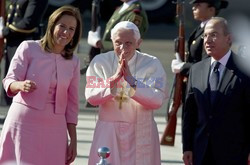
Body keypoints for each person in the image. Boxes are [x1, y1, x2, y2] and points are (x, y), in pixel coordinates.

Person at [0, 5, 82, 165]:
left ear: (75, 34)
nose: (66, 32)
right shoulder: (28, 48)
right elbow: (9, 80)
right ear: (52, 25)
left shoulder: (74, 62)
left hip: (55, 129)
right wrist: (20, 85)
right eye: (62, 26)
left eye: (71, 29)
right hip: (24, 122)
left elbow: (72, 105)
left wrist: (73, 139)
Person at [85, 21, 168, 165]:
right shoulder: (100, 62)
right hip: (109, 132)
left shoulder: (152, 64)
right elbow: (91, 96)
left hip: (141, 131)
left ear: (138, 42)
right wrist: (113, 79)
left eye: (128, 43)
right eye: (118, 43)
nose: (123, 48)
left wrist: (132, 81)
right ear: (112, 41)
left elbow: (157, 99)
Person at [182, 17, 250, 165]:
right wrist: (187, 147)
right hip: (200, 151)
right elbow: (190, 113)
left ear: (228, 38)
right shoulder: (196, 69)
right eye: (205, 35)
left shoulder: (244, 71)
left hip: (233, 153)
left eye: (213, 35)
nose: (207, 40)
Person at [0, 0, 48, 106]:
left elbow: (29, 22)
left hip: (25, 43)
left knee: (24, 83)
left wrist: (5, 31)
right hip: (12, 42)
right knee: (11, 79)